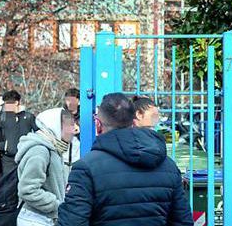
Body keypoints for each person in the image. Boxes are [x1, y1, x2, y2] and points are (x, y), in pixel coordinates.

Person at [58, 93, 193, 225]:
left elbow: (72, 221)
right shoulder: (168, 166)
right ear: (133, 121)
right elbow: (183, 220)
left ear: (98, 125)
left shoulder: (86, 167)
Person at [14, 108, 76, 226]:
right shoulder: (40, 151)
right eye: (70, 125)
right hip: (35, 219)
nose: (74, 130)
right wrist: (56, 205)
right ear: (56, 126)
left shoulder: (54, 148)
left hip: (45, 218)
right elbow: (28, 190)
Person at [0, 90, 37, 180]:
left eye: (8, 103)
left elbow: (38, 132)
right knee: (7, 185)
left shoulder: (28, 117)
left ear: (16, 102)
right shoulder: (2, 117)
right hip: (7, 158)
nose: (6, 106)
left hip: (24, 157)